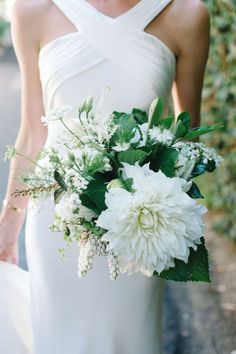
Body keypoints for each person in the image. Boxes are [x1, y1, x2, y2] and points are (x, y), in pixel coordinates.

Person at [0, 0, 210, 353]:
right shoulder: (33, 10)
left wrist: (168, 211)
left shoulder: (187, 15)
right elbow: (33, 133)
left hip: (141, 228)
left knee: (131, 337)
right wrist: (9, 221)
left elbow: (188, 139)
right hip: (56, 223)